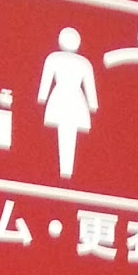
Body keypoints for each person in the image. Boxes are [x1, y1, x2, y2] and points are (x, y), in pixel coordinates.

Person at [38, 28, 97, 178]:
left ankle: (66, 170)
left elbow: (45, 85)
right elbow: (91, 92)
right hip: (76, 99)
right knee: (69, 132)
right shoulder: (84, 63)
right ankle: (66, 170)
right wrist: (92, 104)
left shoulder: (54, 58)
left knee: (66, 131)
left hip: (60, 96)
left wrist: (43, 97)